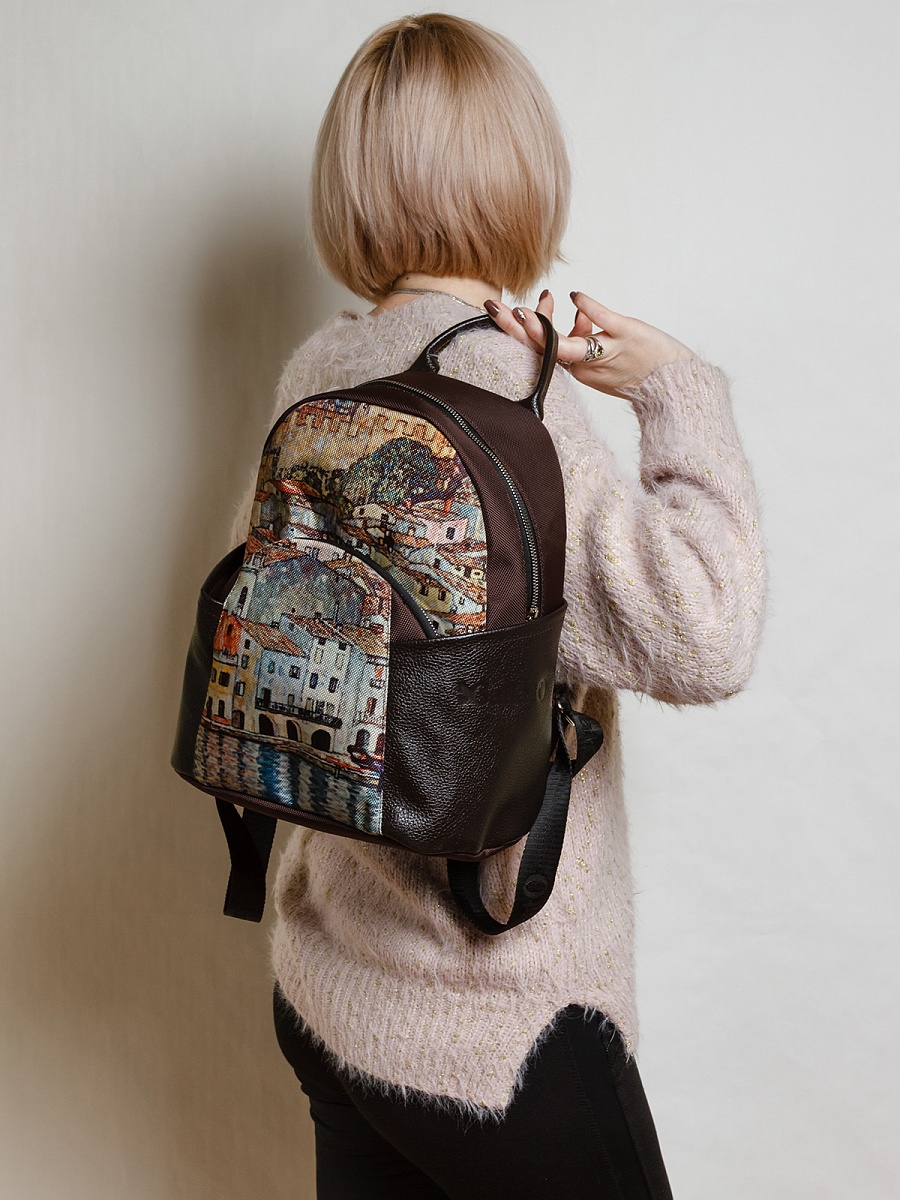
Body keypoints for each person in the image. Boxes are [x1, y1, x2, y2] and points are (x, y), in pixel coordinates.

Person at [226, 13, 767, 1198]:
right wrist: (674, 390)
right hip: (493, 1025)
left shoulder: (318, 373)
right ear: (520, 174)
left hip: (330, 985)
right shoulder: (518, 396)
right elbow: (707, 631)